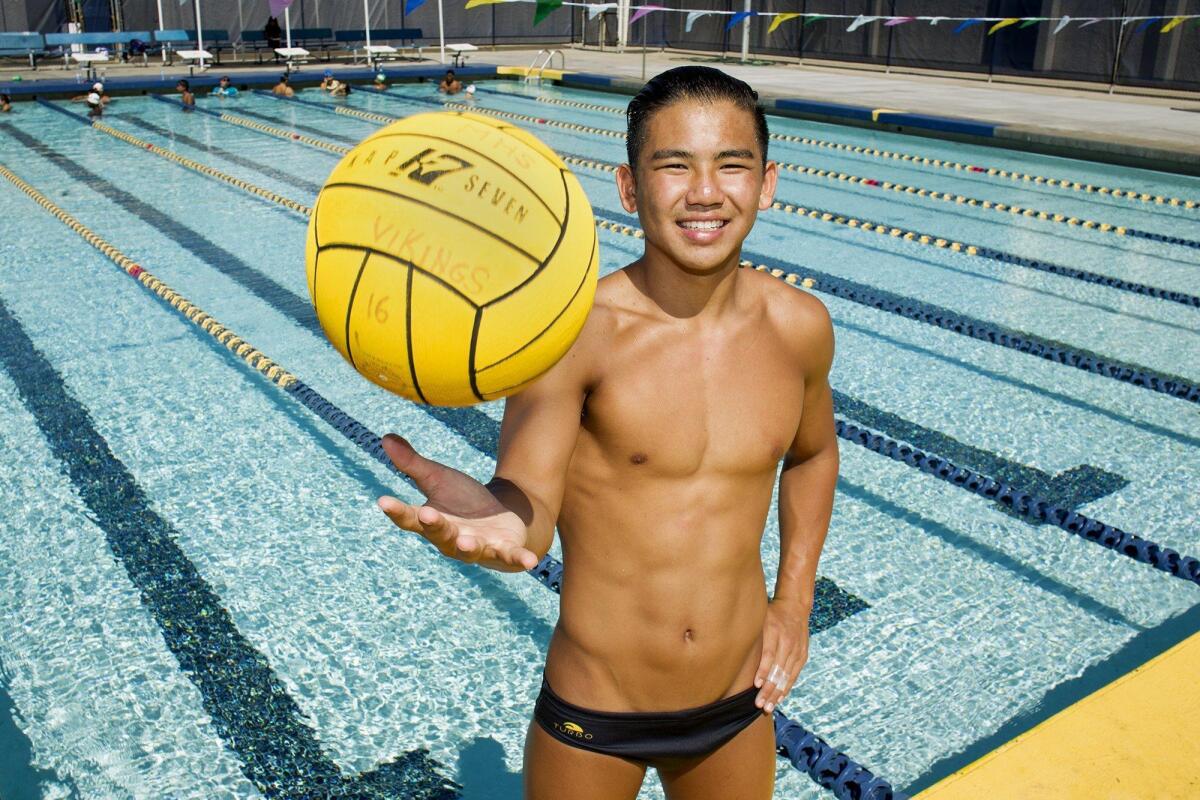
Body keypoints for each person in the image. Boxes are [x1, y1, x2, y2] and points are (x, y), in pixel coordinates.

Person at [377, 66, 838, 799]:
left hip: (736, 705)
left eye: (731, 165)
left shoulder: (800, 329)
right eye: (674, 166)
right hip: (597, 713)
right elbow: (527, 504)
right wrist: (496, 522)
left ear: (768, 182)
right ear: (629, 188)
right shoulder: (575, 336)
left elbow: (813, 456)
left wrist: (794, 605)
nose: (706, 193)